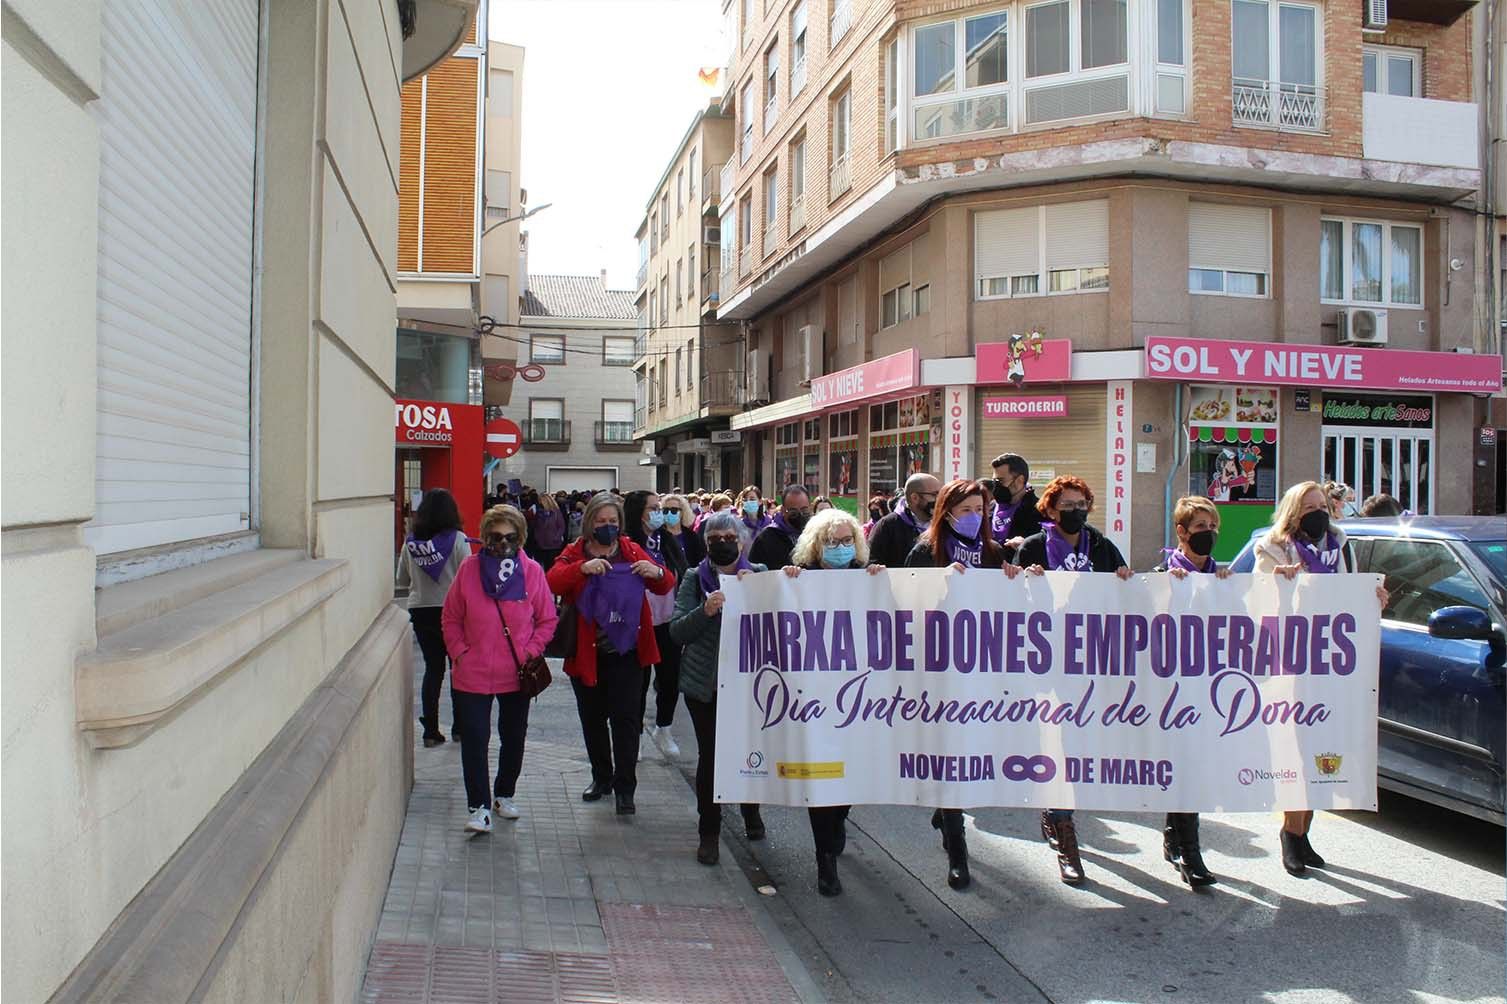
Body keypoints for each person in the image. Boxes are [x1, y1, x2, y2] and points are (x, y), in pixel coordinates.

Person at [1254, 480, 1388, 876]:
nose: (1318, 514)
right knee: (1295, 749)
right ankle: (1290, 832)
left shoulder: (1340, 546)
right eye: (1309, 507)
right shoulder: (1273, 548)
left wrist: (1374, 598)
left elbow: (1352, 594)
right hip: (1291, 661)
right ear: (1293, 512)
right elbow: (1255, 601)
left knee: (1322, 747)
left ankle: (1303, 831)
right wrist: (1277, 582)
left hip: (1331, 659)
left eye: (1323, 507)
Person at [1013, 475, 1134, 885]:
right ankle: (1065, 834)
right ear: (1050, 508)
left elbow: (1124, 588)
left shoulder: (1099, 545)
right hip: (1047, 663)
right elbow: (1011, 600)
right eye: (1066, 504)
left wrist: (1125, 578)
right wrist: (1026, 581)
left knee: (1078, 747)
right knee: (1058, 745)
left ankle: (1055, 812)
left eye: (1081, 504)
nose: (1075, 511)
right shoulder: (1035, 546)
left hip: (1089, 661)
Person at [902, 478, 1008, 890]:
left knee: (969, 753)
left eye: (980, 510)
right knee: (951, 754)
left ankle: (945, 815)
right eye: (965, 510)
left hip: (981, 673)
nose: (974, 517)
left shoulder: (994, 553)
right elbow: (903, 603)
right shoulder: (925, 552)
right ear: (946, 513)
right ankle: (958, 850)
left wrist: (1021, 577)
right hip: (937, 672)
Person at [548, 494, 677, 815]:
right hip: (587, 653)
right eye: (601, 521)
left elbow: (665, 584)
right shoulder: (575, 551)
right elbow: (553, 581)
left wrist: (656, 572)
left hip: (627, 652)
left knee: (626, 720)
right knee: (592, 720)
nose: (607, 527)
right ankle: (601, 777)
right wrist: (582, 568)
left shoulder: (630, 550)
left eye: (613, 521)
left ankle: (625, 788)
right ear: (590, 522)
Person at [781, 508, 886, 896]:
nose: (840, 548)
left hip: (859, 699)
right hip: (814, 700)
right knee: (821, 778)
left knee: (850, 775)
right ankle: (824, 859)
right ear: (815, 545)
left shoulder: (868, 576)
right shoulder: (799, 578)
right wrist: (782, 585)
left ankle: (840, 817)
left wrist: (882, 583)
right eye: (831, 542)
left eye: (846, 541)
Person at [439, 505, 558, 833]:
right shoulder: (469, 569)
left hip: (516, 672)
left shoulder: (531, 571)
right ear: (484, 537)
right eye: (495, 536)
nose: (502, 543)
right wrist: (459, 653)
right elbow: (450, 617)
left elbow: (547, 620)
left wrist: (528, 651)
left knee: (514, 736)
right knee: (475, 738)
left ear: (520, 537)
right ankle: (478, 807)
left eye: (510, 537)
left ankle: (504, 794)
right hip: (472, 672)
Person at [669, 510, 768, 865]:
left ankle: (751, 810)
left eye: (730, 538)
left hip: (748, 686)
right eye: (715, 540)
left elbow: (782, 617)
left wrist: (767, 588)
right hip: (706, 687)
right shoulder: (695, 578)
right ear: (706, 543)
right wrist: (705, 610)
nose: (723, 544)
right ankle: (709, 831)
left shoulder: (759, 574)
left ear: (741, 541)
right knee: (712, 758)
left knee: (749, 751)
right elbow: (677, 630)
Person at [1151, 496, 1232, 888]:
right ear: (1181, 532)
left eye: (1212, 527)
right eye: (1200, 527)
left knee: (1193, 766)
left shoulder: (1225, 578)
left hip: (1209, 688)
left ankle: (1173, 837)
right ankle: (1190, 854)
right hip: (1170, 691)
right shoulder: (1161, 575)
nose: (1208, 533)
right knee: (1186, 767)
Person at [396, 488, 469, 747]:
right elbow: (468, 576)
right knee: (457, 668)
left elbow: (401, 580)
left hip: (421, 609)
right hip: (453, 611)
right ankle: (460, 728)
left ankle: (430, 730)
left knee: (432, 669)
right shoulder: (459, 540)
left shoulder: (411, 543)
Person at [623, 490, 689, 759]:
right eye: (653, 508)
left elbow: (683, 572)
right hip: (639, 622)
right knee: (637, 683)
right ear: (638, 513)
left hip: (668, 620)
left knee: (670, 678)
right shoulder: (627, 543)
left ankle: (664, 727)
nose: (658, 513)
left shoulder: (667, 541)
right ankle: (635, 735)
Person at [867, 473, 940, 568]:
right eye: (934, 494)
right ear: (915, 498)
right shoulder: (887, 526)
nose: (940, 500)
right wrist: (875, 567)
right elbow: (872, 562)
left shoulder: (945, 524)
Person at [987, 453, 1043, 558]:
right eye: (994, 481)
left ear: (1020, 480)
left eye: (1000, 481)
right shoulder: (989, 508)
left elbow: (1048, 548)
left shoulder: (1039, 511)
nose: (996, 486)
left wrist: (1027, 545)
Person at [749, 485, 812, 569]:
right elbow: (753, 570)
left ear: (810, 507)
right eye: (793, 511)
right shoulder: (767, 538)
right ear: (783, 510)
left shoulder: (816, 535)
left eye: (804, 509)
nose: (800, 514)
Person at [660, 493, 705, 566]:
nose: (669, 513)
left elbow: (699, 560)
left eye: (674, 510)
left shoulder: (692, 536)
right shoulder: (658, 534)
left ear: (682, 512)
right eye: (665, 510)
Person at [530, 491, 566, 571]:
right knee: (544, 566)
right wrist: (537, 537)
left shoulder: (556, 512)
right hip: (541, 544)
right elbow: (536, 527)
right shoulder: (538, 513)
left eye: (541, 500)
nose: (539, 503)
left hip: (554, 545)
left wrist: (556, 538)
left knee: (551, 566)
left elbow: (561, 526)